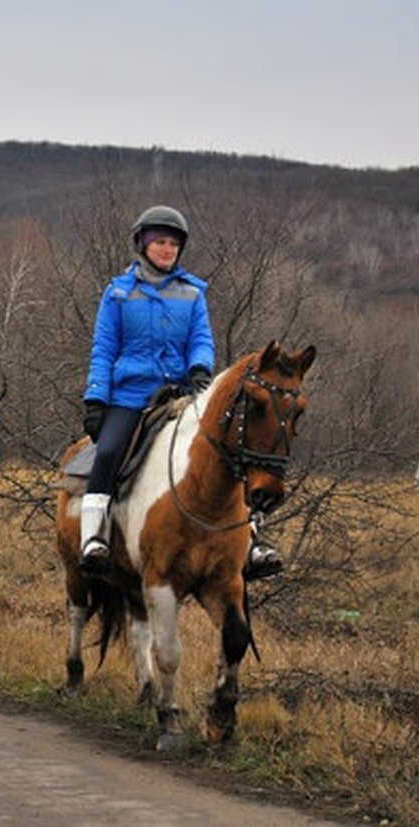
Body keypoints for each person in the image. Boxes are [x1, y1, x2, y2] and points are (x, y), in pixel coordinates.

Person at [77, 205, 283, 581]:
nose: (167, 249)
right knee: (107, 452)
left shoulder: (192, 293)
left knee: (222, 451)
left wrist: (200, 369)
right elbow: (104, 348)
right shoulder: (118, 293)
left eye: (173, 243)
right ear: (143, 244)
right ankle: (94, 538)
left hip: (180, 392)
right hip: (130, 396)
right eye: (160, 242)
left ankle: (251, 539)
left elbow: (201, 339)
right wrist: (96, 398)